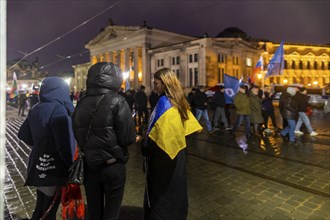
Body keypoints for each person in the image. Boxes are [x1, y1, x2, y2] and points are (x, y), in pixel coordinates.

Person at [72, 62, 136, 220]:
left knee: (94, 212)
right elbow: (128, 138)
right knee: (112, 212)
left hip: (89, 166)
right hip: (112, 165)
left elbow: (76, 132)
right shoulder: (118, 101)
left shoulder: (81, 103)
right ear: (115, 80)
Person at [142, 68, 202, 220]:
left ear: (165, 83)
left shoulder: (164, 103)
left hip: (164, 157)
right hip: (178, 153)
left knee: (163, 193)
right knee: (176, 188)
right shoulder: (178, 100)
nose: (154, 86)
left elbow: (158, 138)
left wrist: (144, 144)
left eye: (156, 83)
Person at [18, 77, 76, 220]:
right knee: (50, 209)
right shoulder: (59, 110)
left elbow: (22, 134)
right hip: (54, 167)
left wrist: (40, 145)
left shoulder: (36, 107)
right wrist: (70, 166)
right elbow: (64, 145)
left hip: (37, 164)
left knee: (41, 205)